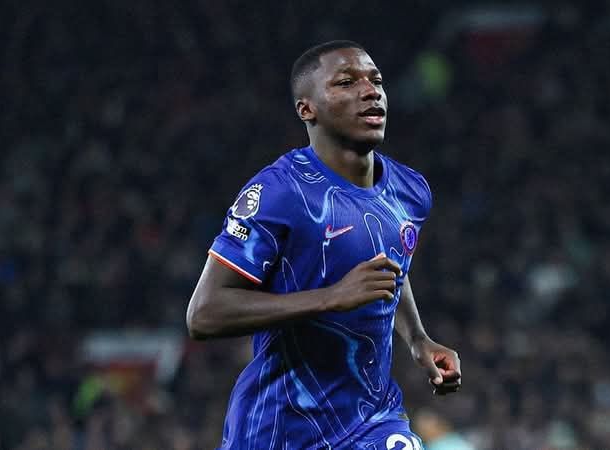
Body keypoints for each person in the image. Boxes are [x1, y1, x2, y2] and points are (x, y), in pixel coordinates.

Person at [186, 40, 461, 450]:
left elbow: (389, 268)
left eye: (376, 81)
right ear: (307, 109)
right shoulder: (279, 192)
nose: (370, 92)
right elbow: (204, 314)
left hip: (371, 420)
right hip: (279, 429)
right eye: (346, 83)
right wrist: (330, 297)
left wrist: (418, 338)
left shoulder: (410, 191)